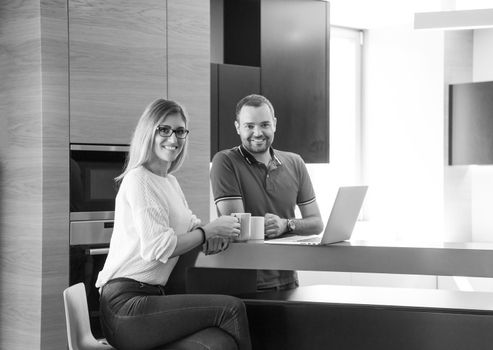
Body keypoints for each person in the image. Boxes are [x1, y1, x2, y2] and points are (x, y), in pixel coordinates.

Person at [96, 98, 252, 350]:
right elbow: (157, 248)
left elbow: (192, 226)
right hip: (126, 306)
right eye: (164, 130)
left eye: (180, 131)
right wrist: (207, 232)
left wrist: (217, 232)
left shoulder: (169, 182)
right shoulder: (139, 180)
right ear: (150, 132)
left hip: (152, 300)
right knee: (232, 308)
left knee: (218, 343)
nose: (173, 138)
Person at [210, 94, 324, 291]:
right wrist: (279, 225)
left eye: (264, 124)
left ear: (274, 124)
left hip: (288, 278)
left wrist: (285, 224)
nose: (258, 132)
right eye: (249, 126)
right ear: (238, 127)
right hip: (244, 282)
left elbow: (316, 223)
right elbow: (237, 226)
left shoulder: (295, 162)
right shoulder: (225, 162)